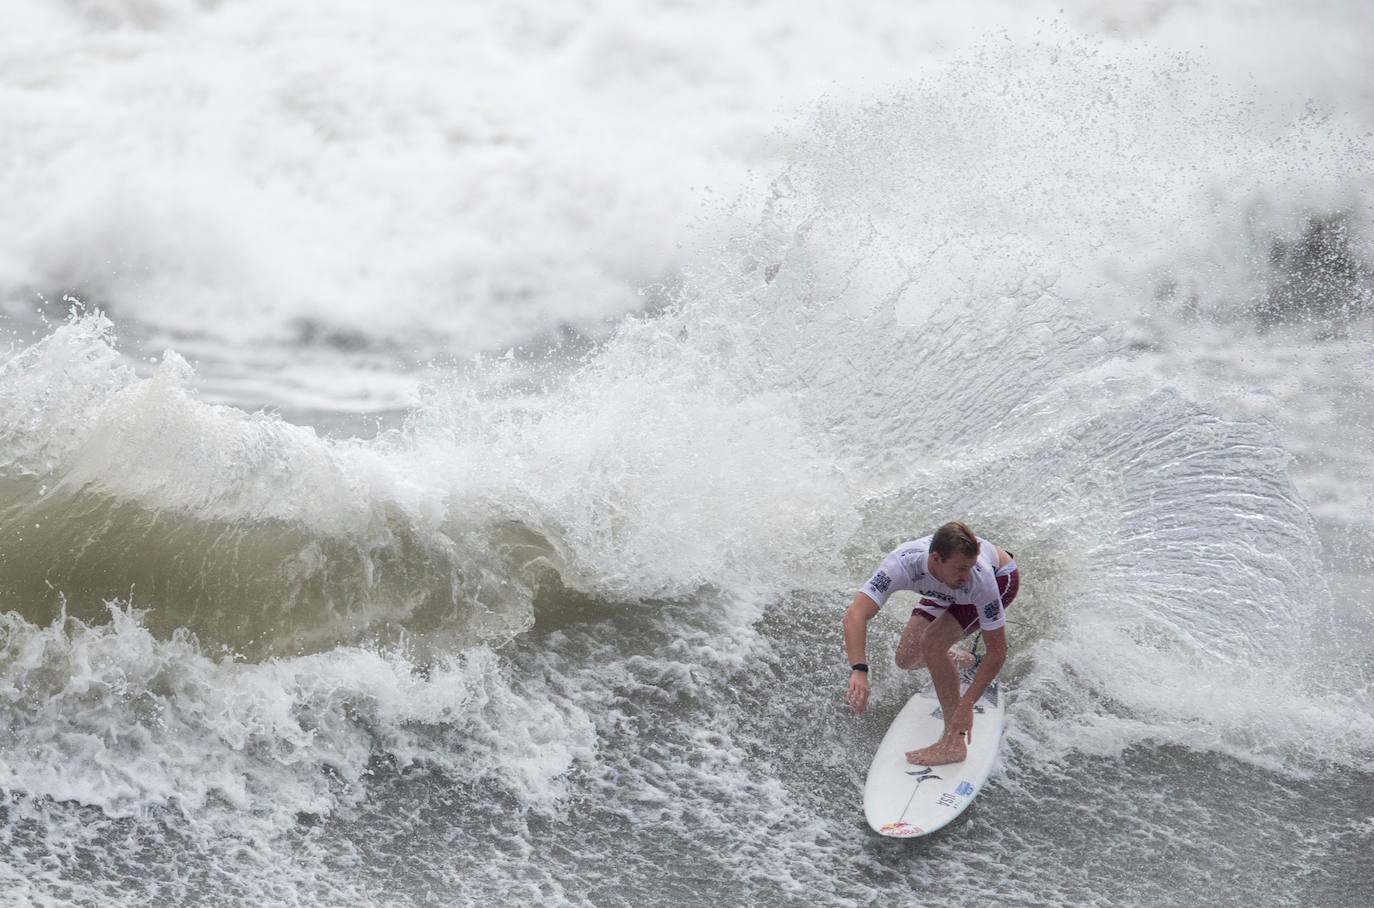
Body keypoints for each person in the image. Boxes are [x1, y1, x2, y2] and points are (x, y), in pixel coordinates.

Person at [842, 521, 1020, 766]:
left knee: (933, 644)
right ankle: (964, 660)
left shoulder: (979, 580)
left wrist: (965, 705)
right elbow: (855, 615)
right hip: (944, 588)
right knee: (907, 658)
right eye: (961, 569)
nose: (966, 576)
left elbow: (998, 651)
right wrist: (859, 670)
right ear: (935, 559)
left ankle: (953, 744)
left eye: (969, 567)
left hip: (1002, 578)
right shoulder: (901, 565)